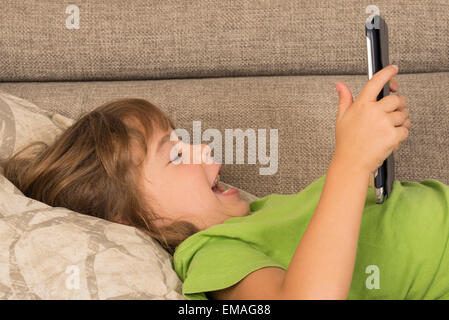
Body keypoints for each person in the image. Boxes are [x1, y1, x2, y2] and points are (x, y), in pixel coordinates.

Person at [7, 65, 439, 301]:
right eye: (176, 155)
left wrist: (366, 157)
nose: (206, 153)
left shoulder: (261, 213)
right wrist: (348, 161)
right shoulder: (210, 253)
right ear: (132, 219)